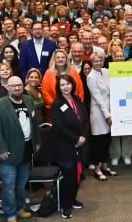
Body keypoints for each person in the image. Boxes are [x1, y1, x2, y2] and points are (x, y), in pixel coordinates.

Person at [0, 76, 40, 222]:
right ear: (7, 88)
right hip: (8, 153)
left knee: (21, 184)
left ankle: (20, 208)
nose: (17, 88)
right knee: (9, 186)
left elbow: (34, 123)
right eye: (13, 86)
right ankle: (11, 213)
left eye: (19, 85)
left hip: (26, 150)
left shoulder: (29, 100)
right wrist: (2, 149)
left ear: (23, 86)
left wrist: (37, 141)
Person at [51, 74, 89, 219]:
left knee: (77, 176)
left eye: (67, 84)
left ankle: (72, 199)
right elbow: (59, 127)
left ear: (72, 85)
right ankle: (65, 206)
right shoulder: (56, 104)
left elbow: (85, 120)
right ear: (58, 87)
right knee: (69, 177)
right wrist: (76, 139)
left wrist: (83, 138)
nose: (65, 87)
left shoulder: (77, 99)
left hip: (79, 144)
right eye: (62, 85)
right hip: (65, 146)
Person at [87, 52, 117, 181]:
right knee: (98, 142)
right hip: (99, 113)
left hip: (110, 109)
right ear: (92, 62)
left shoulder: (106, 71)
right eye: (95, 61)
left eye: (100, 60)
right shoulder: (90, 77)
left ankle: (105, 166)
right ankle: (97, 169)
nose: (98, 63)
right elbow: (98, 98)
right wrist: (107, 115)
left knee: (106, 140)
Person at [41, 50, 84, 121]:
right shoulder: (48, 73)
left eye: (63, 57)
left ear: (66, 59)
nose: (60, 59)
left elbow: (80, 91)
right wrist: (58, 106)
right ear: (54, 59)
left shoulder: (73, 72)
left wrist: (77, 106)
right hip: (56, 110)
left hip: (74, 109)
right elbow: (46, 94)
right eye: (58, 57)